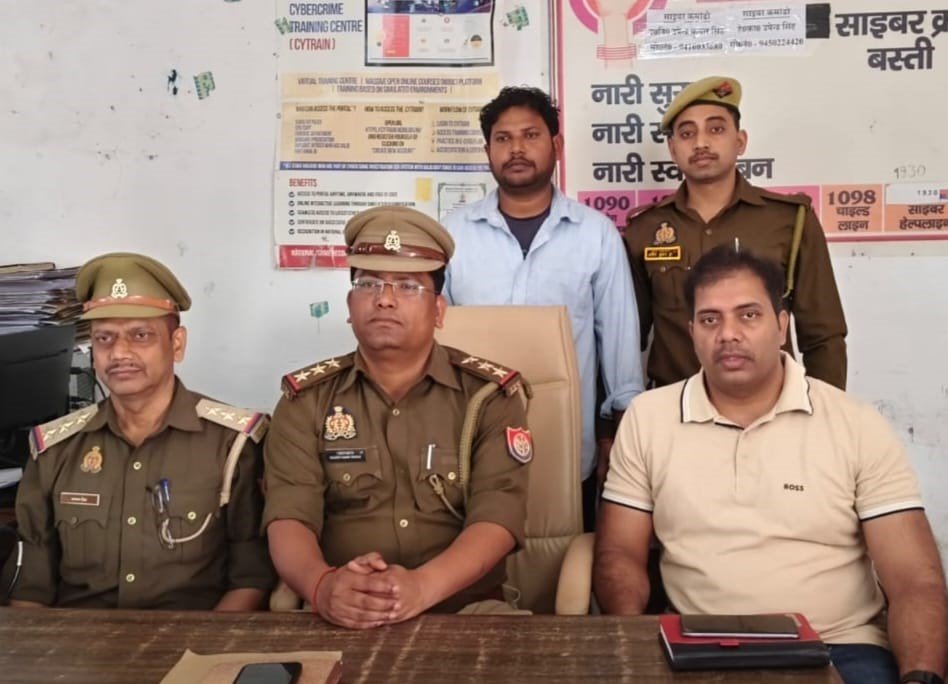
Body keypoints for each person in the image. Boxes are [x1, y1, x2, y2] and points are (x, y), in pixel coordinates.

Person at [593, 245, 947, 684]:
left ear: (782, 326)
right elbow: (620, 553)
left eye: (748, 315)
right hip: (700, 646)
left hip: (840, 645)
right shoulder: (649, 418)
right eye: (710, 320)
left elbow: (914, 579)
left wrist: (920, 677)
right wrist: (633, 649)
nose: (728, 334)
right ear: (692, 333)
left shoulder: (854, 423)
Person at [263, 206, 532, 630]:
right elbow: (288, 516)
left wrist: (421, 588)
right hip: (341, 610)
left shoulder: (488, 397)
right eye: (368, 283)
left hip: (464, 610)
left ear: (439, 311)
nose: (384, 299)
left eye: (407, 286)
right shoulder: (306, 401)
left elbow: (497, 518)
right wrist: (322, 586)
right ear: (350, 305)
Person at [10, 253, 274, 610]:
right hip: (78, 639)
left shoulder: (233, 444)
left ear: (177, 344)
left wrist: (204, 643)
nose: (119, 352)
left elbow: (250, 579)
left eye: (140, 335)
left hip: (193, 636)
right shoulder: (55, 449)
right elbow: (31, 590)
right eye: (104, 338)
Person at [442, 86, 643, 529]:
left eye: (530, 135)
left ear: (556, 145)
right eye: (503, 138)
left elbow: (620, 344)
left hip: (568, 440)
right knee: (477, 554)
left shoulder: (595, 234)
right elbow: (436, 342)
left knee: (566, 553)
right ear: (488, 151)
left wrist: (618, 436)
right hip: (469, 439)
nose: (516, 149)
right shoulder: (454, 234)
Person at [625, 75, 847, 390]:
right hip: (675, 407)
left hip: (770, 405)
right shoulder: (644, 229)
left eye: (716, 129)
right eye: (687, 133)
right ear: (673, 149)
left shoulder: (790, 220)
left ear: (740, 141)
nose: (701, 143)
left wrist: (825, 408)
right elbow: (627, 338)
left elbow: (823, 335)